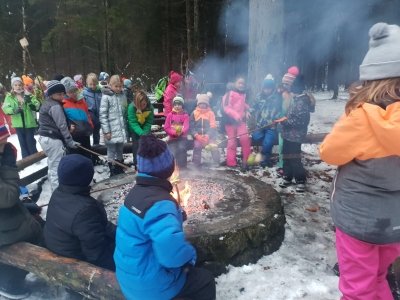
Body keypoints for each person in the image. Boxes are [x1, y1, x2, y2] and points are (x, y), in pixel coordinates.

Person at [319, 22, 400, 300]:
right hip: (395, 224)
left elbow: (329, 153)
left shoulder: (361, 117)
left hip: (359, 223)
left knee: (357, 289)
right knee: (378, 276)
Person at [114, 134, 216, 300]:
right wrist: (191, 255)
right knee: (205, 280)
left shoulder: (134, 195)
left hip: (130, 278)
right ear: (170, 168)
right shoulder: (161, 204)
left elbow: (150, 226)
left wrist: (175, 217)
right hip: (151, 289)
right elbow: (171, 256)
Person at [44, 154, 116, 271]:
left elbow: (97, 228)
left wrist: (119, 233)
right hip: (74, 260)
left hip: (62, 246)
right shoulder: (85, 209)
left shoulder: (60, 192)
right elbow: (96, 253)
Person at [0, 127, 42, 299]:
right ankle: (10, 283)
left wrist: (24, 206)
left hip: (8, 218)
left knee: (39, 224)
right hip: (5, 230)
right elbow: (8, 197)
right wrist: (9, 167)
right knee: (39, 235)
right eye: (1, 144)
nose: (4, 147)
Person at [38, 80, 80, 191]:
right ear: (51, 94)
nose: (62, 96)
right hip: (52, 139)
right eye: (59, 94)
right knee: (57, 167)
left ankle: (56, 190)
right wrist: (69, 141)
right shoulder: (55, 106)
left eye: (62, 93)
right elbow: (61, 126)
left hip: (46, 138)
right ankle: (58, 193)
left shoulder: (48, 103)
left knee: (53, 165)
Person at [278, 75, 314, 192]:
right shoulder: (297, 100)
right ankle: (287, 177)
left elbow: (301, 121)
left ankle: (300, 180)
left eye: (292, 86)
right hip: (288, 135)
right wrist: (284, 119)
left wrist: (285, 121)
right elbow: (292, 115)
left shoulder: (302, 102)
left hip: (295, 136)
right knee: (286, 157)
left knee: (294, 158)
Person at [2, 77, 40, 158]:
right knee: (22, 142)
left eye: (19, 85)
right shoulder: (10, 97)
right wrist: (14, 110)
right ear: (12, 86)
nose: (18, 87)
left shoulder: (28, 94)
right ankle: (26, 158)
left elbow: (37, 105)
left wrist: (30, 102)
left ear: (22, 85)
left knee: (30, 141)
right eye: (15, 85)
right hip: (18, 124)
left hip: (29, 122)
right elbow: (5, 107)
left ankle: (35, 157)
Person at [251, 74, 282, 168]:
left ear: (272, 88)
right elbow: (254, 106)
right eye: (265, 88)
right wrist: (249, 111)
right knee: (255, 137)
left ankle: (265, 159)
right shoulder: (259, 96)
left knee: (268, 143)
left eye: (269, 88)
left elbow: (280, 110)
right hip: (260, 125)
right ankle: (259, 150)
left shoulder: (277, 98)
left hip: (271, 126)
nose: (267, 90)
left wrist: (276, 119)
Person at [99, 75, 128, 176]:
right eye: (116, 86)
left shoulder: (122, 96)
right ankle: (112, 167)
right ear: (110, 85)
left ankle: (119, 166)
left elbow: (124, 111)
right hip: (111, 130)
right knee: (111, 150)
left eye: (120, 86)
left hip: (120, 129)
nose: (119, 89)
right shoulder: (106, 97)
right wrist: (106, 131)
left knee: (120, 148)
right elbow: (103, 115)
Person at [222, 76, 251, 170]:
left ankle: (246, 161)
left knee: (245, 138)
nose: (241, 85)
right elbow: (226, 107)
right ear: (235, 83)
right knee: (232, 141)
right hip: (230, 122)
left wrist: (247, 110)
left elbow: (242, 104)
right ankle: (231, 162)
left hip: (240, 122)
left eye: (243, 83)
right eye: (239, 83)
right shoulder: (229, 93)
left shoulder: (243, 94)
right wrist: (236, 115)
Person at [60, 77, 93, 159]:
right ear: (65, 93)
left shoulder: (82, 101)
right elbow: (63, 119)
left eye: (75, 90)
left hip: (85, 132)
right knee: (76, 156)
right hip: (74, 135)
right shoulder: (63, 104)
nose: (73, 93)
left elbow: (87, 114)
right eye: (70, 92)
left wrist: (90, 124)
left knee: (87, 154)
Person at [276, 66, 300, 176]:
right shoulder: (280, 94)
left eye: (288, 84)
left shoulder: (295, 97)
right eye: (284, 84)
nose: (285, 86)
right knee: (282, 146)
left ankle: (288, 166)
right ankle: (282, 165)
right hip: (281, 124)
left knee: (289, 147)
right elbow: (277, 108)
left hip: (291, 126)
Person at [190, 93, 220, 168]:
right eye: (201, 103)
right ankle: (196, 163)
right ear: (198, 104)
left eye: (204, 103)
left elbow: (213, 126)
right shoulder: (194, 113)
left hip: (209, 136)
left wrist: (208, 135)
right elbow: (191, 126)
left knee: (213, 146)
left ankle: (216, 161)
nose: (202, 105)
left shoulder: (211, 113)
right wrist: (196, 135)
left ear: (207, 104)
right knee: (197, 146)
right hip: (198, 136)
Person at [127, 90, 154, 169]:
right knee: (137, 147)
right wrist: (141, 133)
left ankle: (147, 163)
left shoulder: (150, 108)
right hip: (135, 130)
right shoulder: (131, 108)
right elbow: (133, 123)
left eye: (144, 104)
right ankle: (137, 164)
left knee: (147, 146)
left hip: (145, 129)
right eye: (140, 105)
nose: (142, 107)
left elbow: (149, 122)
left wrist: (145, 133)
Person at [164, 95, 190, 169]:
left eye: (179, 104)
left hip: (182, 137)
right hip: (172, 137)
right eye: (175, 104)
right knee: (172, 150)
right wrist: (174, 133)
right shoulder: (170, 115)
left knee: (182, 149)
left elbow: (186, 126)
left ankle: (183, 166)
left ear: (182, 105)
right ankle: (172, 166)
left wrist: (181, 132)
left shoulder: (185, 115)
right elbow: (167, 127)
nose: (177, 106)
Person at [83, 73, 102, 146]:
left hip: (98, 112)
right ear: (87, 83)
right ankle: (88, 145)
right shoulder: (85, 92)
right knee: (93, 126)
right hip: (90, 112)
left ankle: (96, 144)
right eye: (90, 84)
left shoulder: (99, 92)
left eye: (94, 84)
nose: (92, 86)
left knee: (97, 129)